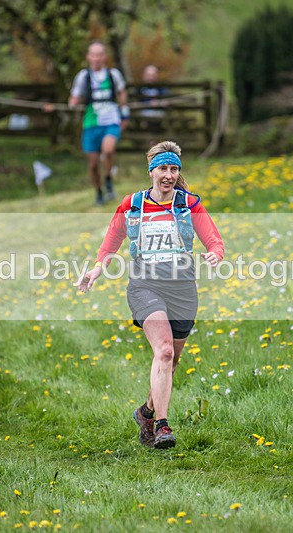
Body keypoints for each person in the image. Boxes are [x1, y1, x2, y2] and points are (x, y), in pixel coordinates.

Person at [77, 140, 224, 449]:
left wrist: (215, 252)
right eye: (162, 168)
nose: (168, 175)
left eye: (173, 169)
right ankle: (162, 425)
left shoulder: (188, 203)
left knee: (171, 362)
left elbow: (213, 238)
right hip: (146, 285)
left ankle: (145, 412)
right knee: (165, 351)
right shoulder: (133, 204)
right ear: (151, 172)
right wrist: (95, 270)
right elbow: (112, 240)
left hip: (183, 289)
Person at [68, 41, 130, 205]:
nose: (96, 58)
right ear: (89, 57)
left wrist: (125, 114)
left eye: (100, 54)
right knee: (93, 163)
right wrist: (72, 103)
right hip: (91, 122)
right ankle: (99, 192)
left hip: (111, 120)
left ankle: (108, 177)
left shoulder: (113, 74)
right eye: (93, 55)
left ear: (104, 56)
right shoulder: (83, 76)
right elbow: (75, 95)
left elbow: (122, 93)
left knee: (108, 150)